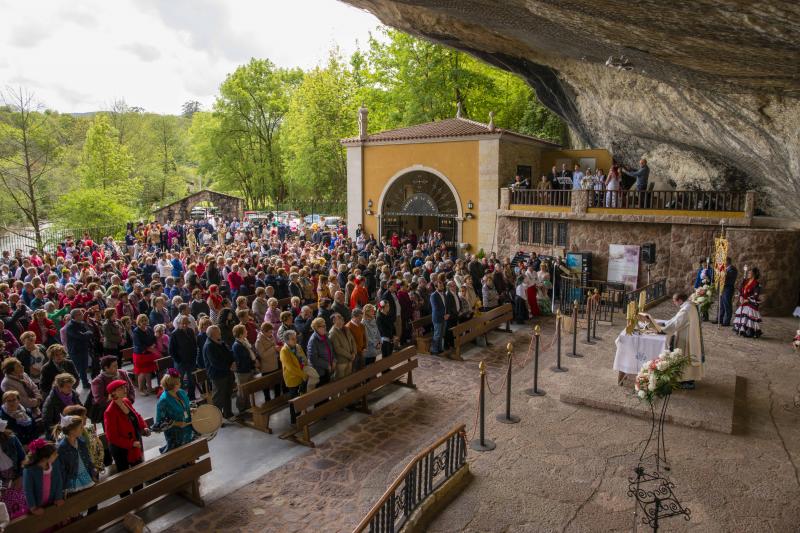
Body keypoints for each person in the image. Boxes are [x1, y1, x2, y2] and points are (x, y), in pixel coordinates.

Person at [643, 292, 705, 387]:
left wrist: (662, 329)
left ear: (680, 300)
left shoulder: (686, 310)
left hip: (686, 337)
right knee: (686, 357)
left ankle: (686, 380)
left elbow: (676, 324)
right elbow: (676, 319)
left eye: (674, 301)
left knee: (685, 356)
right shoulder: (689, 306)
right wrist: (664, 324)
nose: (674, 303)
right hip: (688, 335)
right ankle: (687, 379)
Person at [104, 379, 149, 494]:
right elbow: (112, 437)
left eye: (124, 387)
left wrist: (144, 427)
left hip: (135, 442)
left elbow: (136, 416)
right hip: (121, 449)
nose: (125, 390)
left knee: (138, 473)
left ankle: (137, 497)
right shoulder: (110, 412)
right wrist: (131, 444)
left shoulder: (126, 401)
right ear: (113, 393)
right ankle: (126, 501)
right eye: (121, 389)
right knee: (124, 477)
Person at [55, 415, 97, 502]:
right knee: (76, 503)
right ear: (72, 431)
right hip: (72, 480)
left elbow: (88, 459)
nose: (83, 428)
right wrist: (65, 486)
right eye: (80, 427)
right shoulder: (62, 448)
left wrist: (92, 473)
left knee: (92, 500)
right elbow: (61, 469)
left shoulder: (81, 441)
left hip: (85, 476)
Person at [154, 369, 195, 453]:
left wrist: (190, 409)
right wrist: (177, 423)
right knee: (182, 459)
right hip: (175, 436)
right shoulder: (164, 401)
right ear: (170, 385)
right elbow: (160, 423)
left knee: (191, 454)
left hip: (188, 430)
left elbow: (185, 406)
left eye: (179, 381)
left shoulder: (181, 392)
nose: (180, 383)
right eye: (178, 382)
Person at [23, 439, 64, 515]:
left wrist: (58, 498)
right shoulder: (29, 470)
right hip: (38, 506)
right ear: (45, 458)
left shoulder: (54, 464)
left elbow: (59, 481)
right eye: (54, 454)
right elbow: (28, 490)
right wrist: (33, 508)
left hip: (51, 503)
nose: (57, 455)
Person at [203, 325, 235, 420]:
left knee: (227, 393)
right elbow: (215, 363)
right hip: (218, 375)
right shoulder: (209, 346)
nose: (220, 333)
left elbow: (228, 353)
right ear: (212, 335)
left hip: (227, 372)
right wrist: (229, 367)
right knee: (218, 397)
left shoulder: (220, 342)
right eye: (218, 332)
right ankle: (216, 418)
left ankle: (227, 414)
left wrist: (232, 361)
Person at [0, 419, 28, 519]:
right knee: (12, 511)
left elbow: (23, 458)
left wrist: (20, 476)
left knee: (25, 505)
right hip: (3, 482)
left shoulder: (11, 439)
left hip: (17, 475)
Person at [169, 315, 198, 400]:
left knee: (191, 380)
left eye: (186, 323)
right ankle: (180, 398)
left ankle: (191, 396)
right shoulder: (174, 334)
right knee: (179, 381)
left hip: (191, 360)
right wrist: (178, 360)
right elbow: (171, 350)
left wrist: (194, 356)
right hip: (180, 362)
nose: (185, 325)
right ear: (179, 323)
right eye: (183, 323)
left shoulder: (190, 331)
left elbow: (194, 345)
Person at [65, 308, 95, 389]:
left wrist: (86, 334)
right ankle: (72, 386)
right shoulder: (70, 326)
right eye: (80, 314)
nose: (82, 315)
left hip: (84, 348)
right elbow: (81, 336)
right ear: (75, 316)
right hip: (76, 351)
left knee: (84, 367)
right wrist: (86, 334)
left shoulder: (81, 323)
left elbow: (89, 332)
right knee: (78, 369)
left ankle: (85, 383)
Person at [231, 324, 257, 414]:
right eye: (245, 331)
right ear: (240, 334)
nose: (247, 331)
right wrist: (252, 361)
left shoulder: (244, 341)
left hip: (247, 370)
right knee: (242, 392)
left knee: (247, 390)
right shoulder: (237, 345)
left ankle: (247, 407)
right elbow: (244, 358)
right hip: (242, 372)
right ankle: (242, 409)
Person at [131, 314, 159, 395]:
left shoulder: (149, 328)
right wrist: (149, 348)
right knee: (142, 372)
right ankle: (141, 390)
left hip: (149, 353)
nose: (144, 322)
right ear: (138, 322)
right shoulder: (136, 331)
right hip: (140, 354)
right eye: (142, 321)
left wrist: (153, 345)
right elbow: (138, 344)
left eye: (145, 320)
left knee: (149, 371)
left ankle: (150, 388)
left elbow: (154, 338)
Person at [733, 267, 763, 338]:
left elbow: (756, 294)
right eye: (748, 273)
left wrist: (747, 300)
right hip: (744, 301)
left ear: (754, 274)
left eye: (750, 273)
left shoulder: (756, 284)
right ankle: (742, 330)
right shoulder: (745, 281)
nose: (748, 274)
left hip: (750, 303)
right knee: (742, 316)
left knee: (748, 316)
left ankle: (749, 331)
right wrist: (741, 296)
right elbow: (741, 289)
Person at [306, 317, 334, 386]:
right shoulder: (313, 341)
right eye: (323, 326)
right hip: (320, 372)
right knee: (323, 392)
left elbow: (331, 349)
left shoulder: (325, 335)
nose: (325, 327)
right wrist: (327, 365)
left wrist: (334, 360)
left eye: (325, 325)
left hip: (328, 369)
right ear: (317, 328)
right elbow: (313, 359)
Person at [329, 313, 356, 380]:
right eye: (339, 318)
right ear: (334, 321)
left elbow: (353, 340)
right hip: (341, 362)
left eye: (341, 318)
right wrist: (350, 356)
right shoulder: (333, 333)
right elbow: (338, 349)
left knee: (349, 379)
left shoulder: (346, 328)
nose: (342, 320)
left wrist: (354, 353)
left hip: (350, 359)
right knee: (341, 382)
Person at [714, 257, 738, 327]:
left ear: (727, 261)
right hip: (722, 288)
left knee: (727, 305)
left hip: (728, 288)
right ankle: (719, 319)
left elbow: (728, 277)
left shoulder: (732, 269)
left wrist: (722, 272)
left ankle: (726, 321)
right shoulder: (725, 269)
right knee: (721, 305)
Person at [429, 281, 447, 356]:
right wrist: (444, 315)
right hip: (437, 317)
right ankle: (434, 350)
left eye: (442, 285)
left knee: (442, 334)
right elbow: (436, 308)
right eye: (440, 286)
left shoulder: (444, 294)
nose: (442, 287)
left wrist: (447, 314)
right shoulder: (433, 296)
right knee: (437, 334)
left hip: (444, 316)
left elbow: (446, 305)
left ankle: (440, 348)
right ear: (436, 287)